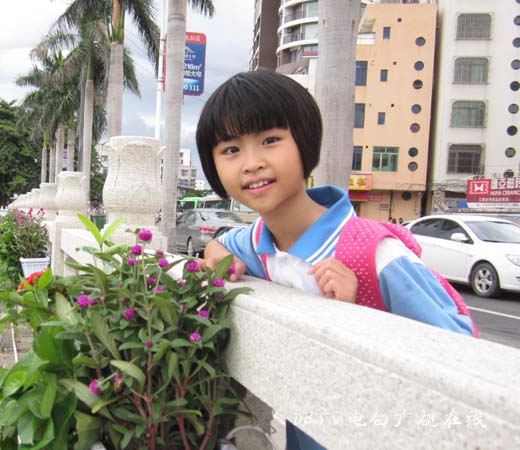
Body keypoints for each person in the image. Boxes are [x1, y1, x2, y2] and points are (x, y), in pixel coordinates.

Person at [195, 70, 477, 450]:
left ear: (305, 141)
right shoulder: (257, 244)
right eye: (231, 149)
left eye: (270, 140)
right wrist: (218, 255)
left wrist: (357, 316)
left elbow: (465, 360)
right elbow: (219, 246)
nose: (252, 163)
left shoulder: (375, 255)